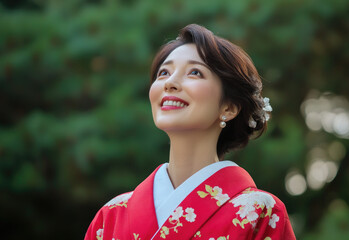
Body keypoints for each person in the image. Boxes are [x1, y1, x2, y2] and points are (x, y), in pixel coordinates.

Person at [84, 24, 296, 240]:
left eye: (195, 72)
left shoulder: (260, 214)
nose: (170, 83)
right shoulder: (111, 216)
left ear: (229, 108)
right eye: (164, 73)